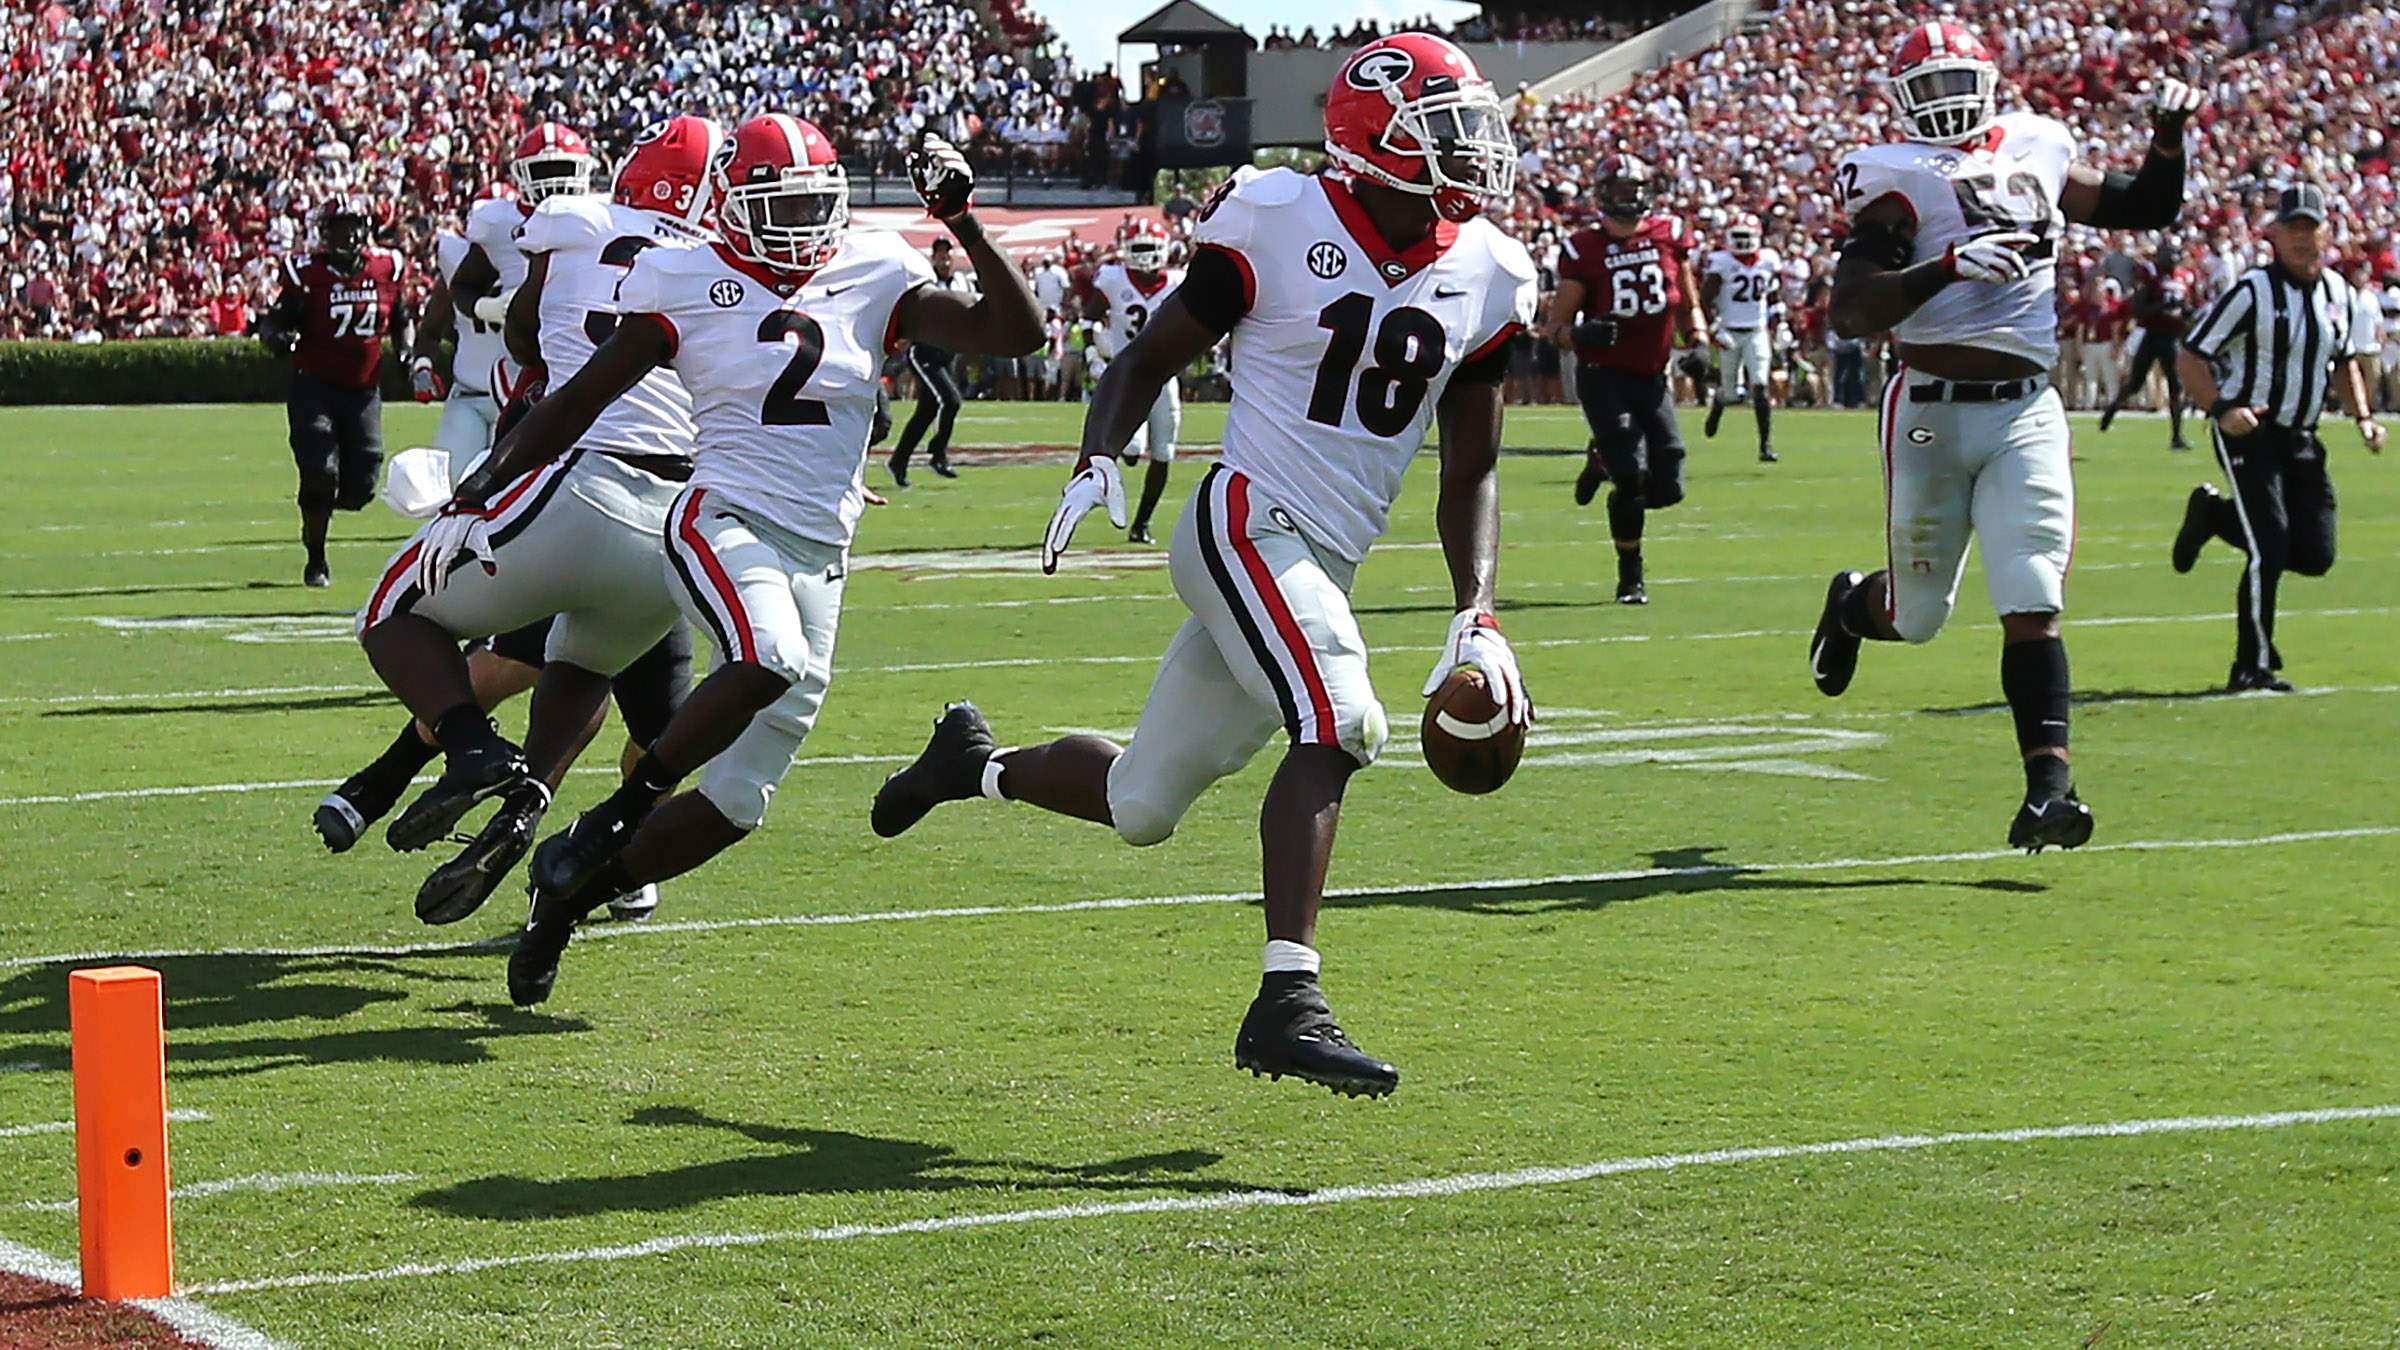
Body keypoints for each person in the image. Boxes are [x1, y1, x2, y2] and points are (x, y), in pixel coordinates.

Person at [870, 33, 1537, 1099]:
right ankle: (1289, 1001)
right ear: (1377, 142)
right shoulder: (1280, 217)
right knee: (1345, 718)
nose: (1473, 150)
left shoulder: (1490, 271)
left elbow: (1475, 471)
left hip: (1319, 559)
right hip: (1243, 520)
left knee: (1142, 804)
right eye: (1444, 129)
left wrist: (1480, 612)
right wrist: (1096, 459)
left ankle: (972, 765)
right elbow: (1145, 357)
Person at [504, 122, 1043, 1006]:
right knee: (767, 657)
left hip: (823, 551)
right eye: (779, 205)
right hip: (722, 516)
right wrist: (494, 480)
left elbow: (1012, 335)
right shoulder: (686, 274)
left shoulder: (872, 268)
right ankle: (614, 815)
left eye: (811, 204)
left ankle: (565, 901)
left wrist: (966, 225)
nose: (798, 223)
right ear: (734, 204)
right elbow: (581, 396)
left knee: (738, 801)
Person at [1805, 23, 2200, 851]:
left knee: (2033, 598)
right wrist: (1948, 267)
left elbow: (2146, 205)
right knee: (1917, 619)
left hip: (2026, 407)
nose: (1947, 105)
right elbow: (1850, 311)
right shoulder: (1894, 179)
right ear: (1903, 101)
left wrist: (2169, 141)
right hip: (1931, 411)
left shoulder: (2038, 144)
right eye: (1930, 89)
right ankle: (1851, 605)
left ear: (1988, 83)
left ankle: (2048, 794)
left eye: (1959, 84)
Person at [345, 116, 721, 925]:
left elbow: (534, 346)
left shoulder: (570, 224)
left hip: (581, 480)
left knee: (390, 612)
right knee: (586, 666)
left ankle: (474, 751)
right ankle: (529, 810)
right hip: (677, 524)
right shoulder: (722, 267)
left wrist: (479, 487)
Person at [2169, 184, 2385, 691]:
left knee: (2315, 553)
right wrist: (2222, 408)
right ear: (2274, 234)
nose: (2302, 239)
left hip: (2303, 436)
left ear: (2326, 233)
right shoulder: (2252, 292)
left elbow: (2345, 361)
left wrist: (2364, 418)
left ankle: (2213, 514)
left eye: (2311, 228)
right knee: (2269, 546)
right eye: (2293, 229)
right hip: (2252, 431)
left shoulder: (2339, 295)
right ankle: (2252, 664)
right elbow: (2192, 355)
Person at [1546, 152, 1708, 604]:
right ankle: (1630, 577)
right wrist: (1580, 332)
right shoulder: (1585, 248)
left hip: (1652, 374)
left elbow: (1687, 300)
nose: (1627, 199)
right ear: (1602, 196)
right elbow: (1553, 328)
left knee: (1668, 483)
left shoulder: (1670, 235)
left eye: (1633, 191)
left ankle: (1601, 462)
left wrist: (1698, 342)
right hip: (1604, 375)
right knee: (1632, 476)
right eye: (1618, 192)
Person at [256, 198, 411, 589]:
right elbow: (274, 321)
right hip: (315, 385)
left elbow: (403, 318)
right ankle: (316, 557)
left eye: (355, 225)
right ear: (326, 233)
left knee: (362, 485)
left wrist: (407, 349)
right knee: (320, 469)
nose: (350, 234)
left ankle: (322, 504)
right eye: (341, 227)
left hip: (363, 388)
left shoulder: (385, 268)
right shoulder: (307, 274)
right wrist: (278, 338)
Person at [1085, 219, 1184, 542]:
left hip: (1165, 374)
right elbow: (1088, 317)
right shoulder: (1113, 280)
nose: (1142, 256)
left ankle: (1141, 524)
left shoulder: (1179, 282)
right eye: (1136, 248)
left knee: (1163, 451)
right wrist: (1093, 355)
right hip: (1127, 374)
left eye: (1147, 248)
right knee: (1131, 449)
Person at [888, 237, 974, 486]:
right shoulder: (924, 281)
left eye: (947, 255)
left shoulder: (961, 281)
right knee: (951, 400)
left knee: (926, 411)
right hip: (924, 351)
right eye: (939, 255)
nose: (944, 260)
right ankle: (938, 454)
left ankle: (898, 461)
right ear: (932, 257)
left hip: (947, 352)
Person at [2098, 240, 2199, 449]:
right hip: (2153, 334)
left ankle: (2177, 435)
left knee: (2176, 385)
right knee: (2136, 383)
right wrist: (2163, 306)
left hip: (2174, 336)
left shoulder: (2186, 276)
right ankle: (2113, 408)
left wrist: (2188, 313)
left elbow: (2191, 306)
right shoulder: (2151, 274)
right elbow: (2139, 309)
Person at [1699, 213, 1782, 462]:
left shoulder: (1768, 260)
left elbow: (1774, 296)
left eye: (1747, 237)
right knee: (1732, 393)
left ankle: (1765, 445)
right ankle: (1720, 403)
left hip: (1756, 330)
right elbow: (1704, 301)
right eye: (1738, 237)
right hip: (1730, 330)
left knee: (1760, 384)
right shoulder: (1721, 262)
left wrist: (1781, 324)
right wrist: (1715, 329)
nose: (1743, 242)